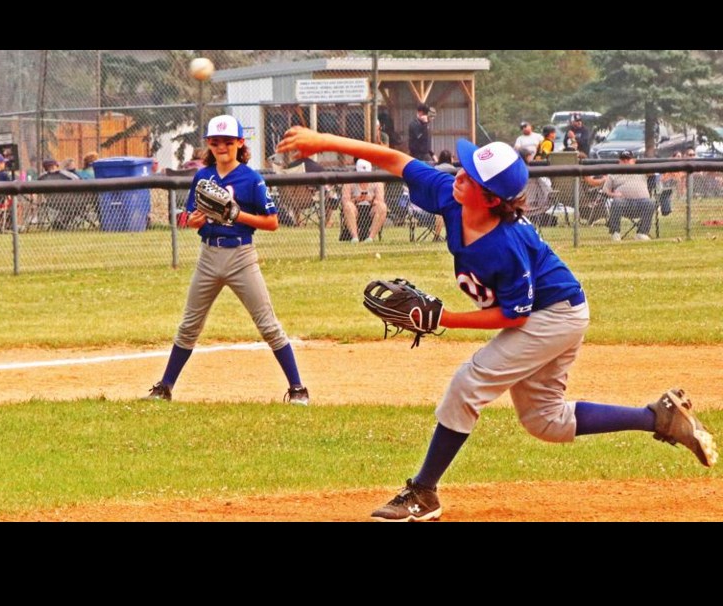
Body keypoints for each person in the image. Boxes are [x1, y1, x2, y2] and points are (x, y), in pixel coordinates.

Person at [276, 126, 717, 521]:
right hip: (553, 312)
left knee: (469, 382)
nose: (458, 176)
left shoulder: (506, 243)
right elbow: (395, 160)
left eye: (469, 176)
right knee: (545, 421)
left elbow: (514, 315)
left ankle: (423, 492)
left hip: (554, 314)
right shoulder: (452, 194)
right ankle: (657, 418)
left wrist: (443, 318)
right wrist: (324, 142)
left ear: (491, 199)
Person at [145, 115, 309, 405]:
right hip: (208, 256)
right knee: (189, 326)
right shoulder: (202, 176)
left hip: (241, 256)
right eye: (216, 142)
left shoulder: (251, 178)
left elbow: (272, 222)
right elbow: (190, 218)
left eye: (228, 142)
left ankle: (298, 388)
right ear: (209, 144)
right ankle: (165, 387)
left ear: (240, 144)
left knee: (268, 325)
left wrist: (236, 215)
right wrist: (194, 220)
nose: (222, 147)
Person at [592, 150, 655, 242]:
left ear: (633, 161)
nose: (625, 161)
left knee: (650, 202)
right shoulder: (613, 173)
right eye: (623, 159)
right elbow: (605, 190)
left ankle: (642, 233)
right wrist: (614, 194)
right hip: (623, 204)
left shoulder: (641, 170)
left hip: (642, 203)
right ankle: (615, 233)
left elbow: (652, 172)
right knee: (616, 202)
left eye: (628, 159)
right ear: (619, 161)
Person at [342, 158, 387, 243]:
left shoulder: (377, 182)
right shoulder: (349, 181)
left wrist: (371, 200)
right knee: (348, 206)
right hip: (355, 209)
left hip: (371, 209)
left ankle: (370, 238)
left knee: (382, 207)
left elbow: (380, 200)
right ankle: (355, 237)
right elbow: (345, 201)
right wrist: (356, 199)